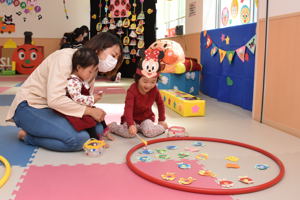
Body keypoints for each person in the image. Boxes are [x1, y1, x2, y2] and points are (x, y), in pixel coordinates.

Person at [6, 32, 123, 152]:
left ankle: (48, 130)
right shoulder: (65, 58)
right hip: (30, 107)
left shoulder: (92, 69)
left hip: (56, 109)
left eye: (117, 58)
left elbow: (82, 100)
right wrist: (90, 111)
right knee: (79, 139)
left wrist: (102, 125)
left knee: (97, 130)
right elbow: (55, 99)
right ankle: (28, 136)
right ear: (99, 48)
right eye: (113, 55)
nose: (114, 61)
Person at [109, 48, 168, 138]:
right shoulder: (132, 90)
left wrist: (162, 120)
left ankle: (146, 128)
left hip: (146, 118)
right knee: (129, 133)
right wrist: (131, 124)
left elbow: (160, 104)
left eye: (153, 82)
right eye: (145, 81)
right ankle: (113, 126)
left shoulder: (154, 89)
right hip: (131, 119)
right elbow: (128, 109)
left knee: (149, 132)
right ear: (138, 78)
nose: (148, 85)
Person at [60, 48, 113, 145]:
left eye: (94, 72)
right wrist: (92, 99)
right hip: (75, 110)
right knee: (89, 121)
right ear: (79, 67)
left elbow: (84, 94)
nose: (91, 75)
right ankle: (95, 141)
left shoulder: (81, 80)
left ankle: (106, 132)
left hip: (83, 107)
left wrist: (94, 97)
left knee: (99, 114)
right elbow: (77, 98)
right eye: (90, 71)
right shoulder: (73, 81)